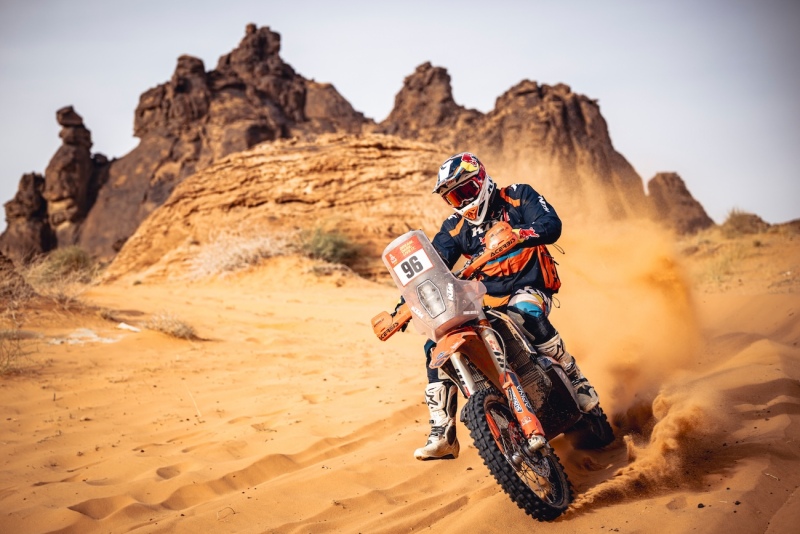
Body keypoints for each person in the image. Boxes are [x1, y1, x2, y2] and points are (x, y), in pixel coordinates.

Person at [412, 152, 600, 461]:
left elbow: (551, 225)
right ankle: (442, 430)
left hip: (530, 288)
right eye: (453, 197)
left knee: (525, 310)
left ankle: (574, 375)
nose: (462, 201)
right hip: (487, 303)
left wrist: (522, 233)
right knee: (434, 345)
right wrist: (405, 302)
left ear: (482, 182)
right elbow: (435, 262)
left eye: (466, 191)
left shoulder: (516, 196)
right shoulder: (455, 228)